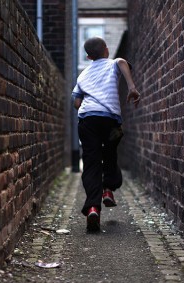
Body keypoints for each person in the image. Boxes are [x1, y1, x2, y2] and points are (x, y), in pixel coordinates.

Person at [71, 36, 141, 232]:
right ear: (106, 51)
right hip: (110, 120)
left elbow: (76, 103)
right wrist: (132, 87)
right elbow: (121, 62)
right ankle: (108, 189)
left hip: (88, 120)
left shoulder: (83, 75)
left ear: (88, 56)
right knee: (110, 154)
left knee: (91, 162)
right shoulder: (113, 63)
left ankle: (93, 207)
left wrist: (89, 99)